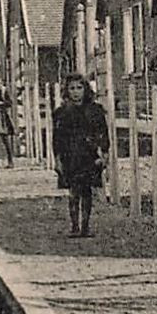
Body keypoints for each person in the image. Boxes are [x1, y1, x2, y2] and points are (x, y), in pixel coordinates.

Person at [52, 73, 110, 237]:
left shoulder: (94, 110)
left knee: (86, 191)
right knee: (73, 191)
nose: (76, 92)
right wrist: (57, 160)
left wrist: (104, 154)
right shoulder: (61, 113)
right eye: (72, 88)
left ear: (86, 89)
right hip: (69, 155)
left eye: (79, 88)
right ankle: (74, 226)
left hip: (88, 154)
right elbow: (56, 139)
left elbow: (103, 133)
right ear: (66, 91)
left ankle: (85, 226)